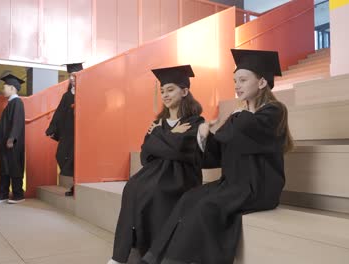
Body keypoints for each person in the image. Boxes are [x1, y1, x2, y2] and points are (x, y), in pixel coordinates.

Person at [141, 49, 294, 264]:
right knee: (189, 198)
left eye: (242, 80)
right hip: (232, 183)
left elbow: (241, 127)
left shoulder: (274, 111)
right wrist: (204, 138)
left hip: (258, 187)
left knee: (206, 208)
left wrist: (228, 122)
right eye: (235, 81)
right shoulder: (239, 116)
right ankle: (155, 256)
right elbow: (218, 153)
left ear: (261, 83)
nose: (237, 85)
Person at [108, 65, 205, 264]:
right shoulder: (159, 122)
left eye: (170, 90)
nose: (165, 95)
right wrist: (171, 137)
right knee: (132, 187)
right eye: (162, 91)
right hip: (154, 172)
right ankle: (126, 252)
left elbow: (182, 151)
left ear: (184, 91)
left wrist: (159, 138)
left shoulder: (196, 121)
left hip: (182, 176)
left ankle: (157, 252)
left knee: (157, 192)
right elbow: (146, 154)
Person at [45, 63, 83, 196]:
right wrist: (52, 127)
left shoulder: (86, 93)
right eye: (70, 76)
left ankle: (76, 186)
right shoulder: (67, 95)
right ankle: (75, 185)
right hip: (68, 133)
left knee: (77, 160)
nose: (71, 78)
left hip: (81, 134)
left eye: (74, 75)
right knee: (61, 156)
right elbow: (59, 113)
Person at [0, 74, 26, 204]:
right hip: (5, 143)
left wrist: (12, 138)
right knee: (5, 168)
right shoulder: (10, 104)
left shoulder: (17, 103)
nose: (2, 89)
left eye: (4, 87)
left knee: (14, 167)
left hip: (13, 144)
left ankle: (18, 194)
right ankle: (3, 194)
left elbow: (17, 122)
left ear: (12, 88)